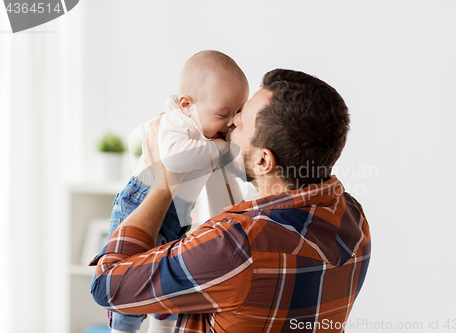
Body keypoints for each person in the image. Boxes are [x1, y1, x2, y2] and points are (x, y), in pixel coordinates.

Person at [90, 69, 371, 333]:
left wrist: (165, 184)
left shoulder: (236, 244)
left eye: (240, 120)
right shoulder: (352, 217)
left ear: (263, 160)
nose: (231, 121)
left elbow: (108, 288)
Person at [100, 50, 249, 333]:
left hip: (177, 215)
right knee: (130, 275)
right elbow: (173, 161)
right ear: (187, 104)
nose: (231, 122)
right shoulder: (175, 122)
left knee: (164, 283)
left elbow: (235, 167)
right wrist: (221, 150)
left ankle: (162, 324)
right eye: (223, 113)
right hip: (139, 204)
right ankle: (122, 327)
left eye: (238, 113)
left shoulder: (208, 130)